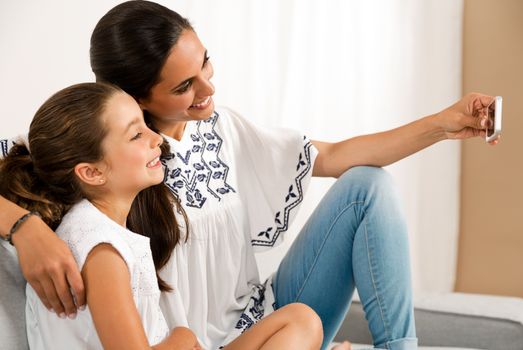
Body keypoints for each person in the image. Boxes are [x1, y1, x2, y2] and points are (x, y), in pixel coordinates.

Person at [0, 1, 498, 349]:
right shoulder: (108, 153)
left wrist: (444, 123)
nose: (208, 88)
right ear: (134, 95)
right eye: (183, 86)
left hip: (261, 326)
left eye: (206, 64)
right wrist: (24, 228)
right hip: (186, 344)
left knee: (368, 186)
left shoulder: (222, 128)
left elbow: (336, 154)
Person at [0, 82, 323, 350]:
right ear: (92, 172)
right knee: (300, 324)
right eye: (136, 135)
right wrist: (183, 338)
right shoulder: (101, 250)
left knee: (300, 319)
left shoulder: (99, 231)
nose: (156, 138)